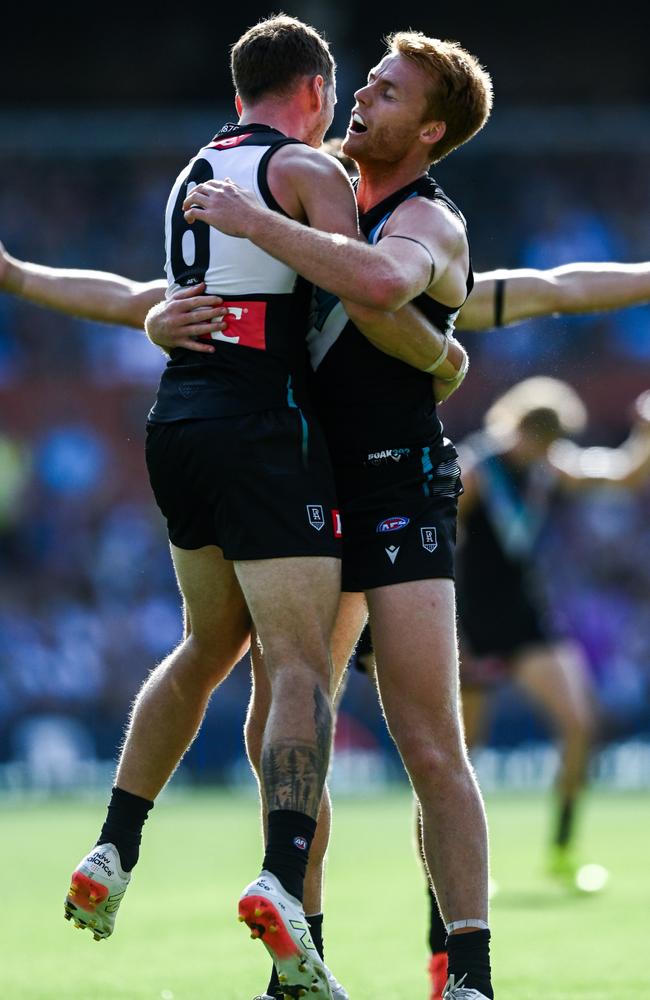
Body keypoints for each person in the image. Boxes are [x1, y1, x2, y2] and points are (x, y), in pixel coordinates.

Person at [2, 239, 650, 1000]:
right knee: (427, 748)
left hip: (311, 518)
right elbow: (547, 290)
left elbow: (132, 298)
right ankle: (437, 964)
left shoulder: (293, 291)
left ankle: (307, 937)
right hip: (381, 523)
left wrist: (22, 278)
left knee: (288, 714)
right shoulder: (387, 283)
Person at [0, 17, 472, 1000]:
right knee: (293, 681)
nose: (357, 104)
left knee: (260, 669)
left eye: (384, 92)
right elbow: (324, 293)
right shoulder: (304, 178)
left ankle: (119, 844)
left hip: (273, 449)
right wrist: (441, 354)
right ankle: (294, 918)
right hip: (280, 447)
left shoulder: (240, 181)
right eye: (357, 86)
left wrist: (442, 354)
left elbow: (176, 294)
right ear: (311, 90)